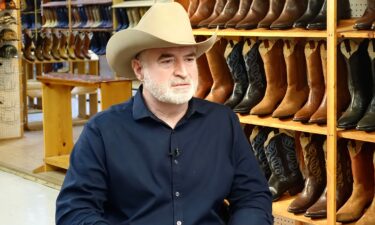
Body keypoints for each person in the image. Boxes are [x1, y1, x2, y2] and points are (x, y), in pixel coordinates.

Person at [55, 2, 273, 225]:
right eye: (167, 60)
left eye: (189, 59)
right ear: (139, 69)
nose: (182, 72)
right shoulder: (103, 131)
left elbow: (252, 196)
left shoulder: (222, 122)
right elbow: (75, 211)